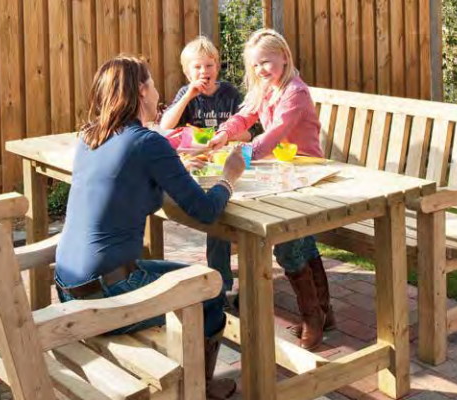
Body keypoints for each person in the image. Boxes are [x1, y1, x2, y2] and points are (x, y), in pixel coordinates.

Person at [54, 55, 245, 399]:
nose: (158, 91)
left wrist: (176, 164)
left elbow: (128, 179)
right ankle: (198, 388)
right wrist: (229, 178)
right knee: (212, 289)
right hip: (107, 293)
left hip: (69, 285)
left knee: (188, 278)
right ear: (142, 91)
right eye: (154, 84)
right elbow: (204, 212)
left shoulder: (89, 136)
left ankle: (196, 383)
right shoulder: (147, 142)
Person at [207, 29, 335, 350]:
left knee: (287, 246)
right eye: (256, 65)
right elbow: (244, 116)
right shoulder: (265, 88)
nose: (261, 69)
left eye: (266, 61)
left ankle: (313, 318)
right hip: (282, 173)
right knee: (301, 242)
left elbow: (274, 134)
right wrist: (224, 134)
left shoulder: (295, 93)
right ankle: (324, 311)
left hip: (306, 174)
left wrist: (242, 155)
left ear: (284, 57)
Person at [159, 36, 248, 298]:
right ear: (187, 72)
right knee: (217, 217)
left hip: (229, 163)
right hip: (200, 166)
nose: (204, 73)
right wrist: (188, 95)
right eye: (197, 68)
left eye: (209, 66)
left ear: (217, 67)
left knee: (227, 213)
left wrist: (224, 136)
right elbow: (166, 126)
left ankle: (235, 281)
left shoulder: (230, 94)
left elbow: (248, 134)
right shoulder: (186, 95)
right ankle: (222, 284)